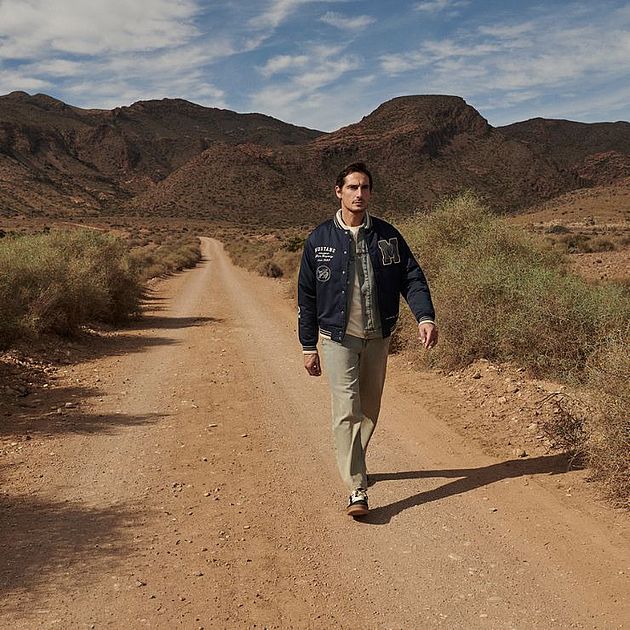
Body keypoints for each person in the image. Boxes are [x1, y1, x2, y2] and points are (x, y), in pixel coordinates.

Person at [297, 162, 437, 517]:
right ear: (338, 191)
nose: (359, 194)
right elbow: (307, 296)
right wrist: (308, 345)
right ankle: (356, 488)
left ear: (370, 192)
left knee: (369, 409)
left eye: (365, 188)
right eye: (352, 187)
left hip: (378, 335)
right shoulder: (320, 239)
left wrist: (424, 316)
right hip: (337, 338)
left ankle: (353, 460)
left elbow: (412, 277)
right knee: (346, 409)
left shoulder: (387, 236)